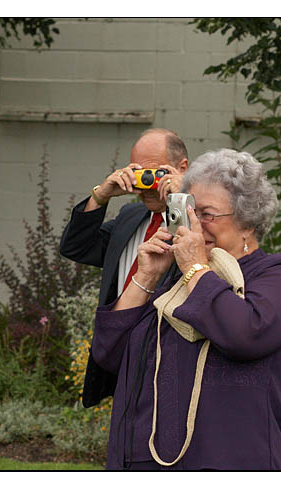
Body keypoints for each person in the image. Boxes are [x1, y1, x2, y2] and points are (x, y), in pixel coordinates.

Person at [92, 148, 281, 470]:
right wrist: (147, 276)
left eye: (206, 214)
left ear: (247, 221)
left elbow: (244, 333)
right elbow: (109, 354)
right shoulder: (176, 282)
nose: (194, 225)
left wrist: (194, 267)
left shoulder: (278, 276)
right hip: (141, 464)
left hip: (227, 465)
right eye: (187, 210)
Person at [60, 128, 190, 408]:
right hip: (123, 358)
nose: (146, 184)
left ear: (182, 168)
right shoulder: (130, 217)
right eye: (138, 173)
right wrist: (101, 196)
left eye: (154, 174)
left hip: (171, 363)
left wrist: (183, 197)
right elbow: (76, 247)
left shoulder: (202, 222)